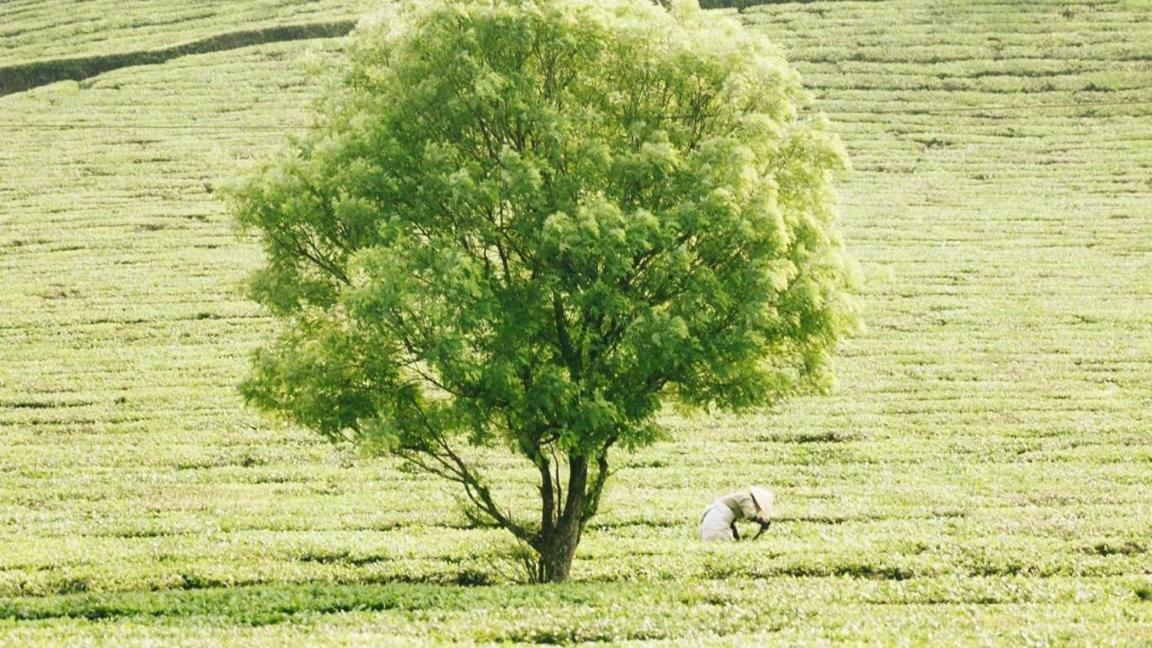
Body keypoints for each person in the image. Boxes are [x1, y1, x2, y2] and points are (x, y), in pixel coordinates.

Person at [700, 486, 774, 541]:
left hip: (714, 517)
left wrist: (737, 538)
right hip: (717, 517)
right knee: (721, 538)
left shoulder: (741, 499)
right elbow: (750, 515)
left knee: (721, 540)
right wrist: (762, 521)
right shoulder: (746, 498)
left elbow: (732, 523)